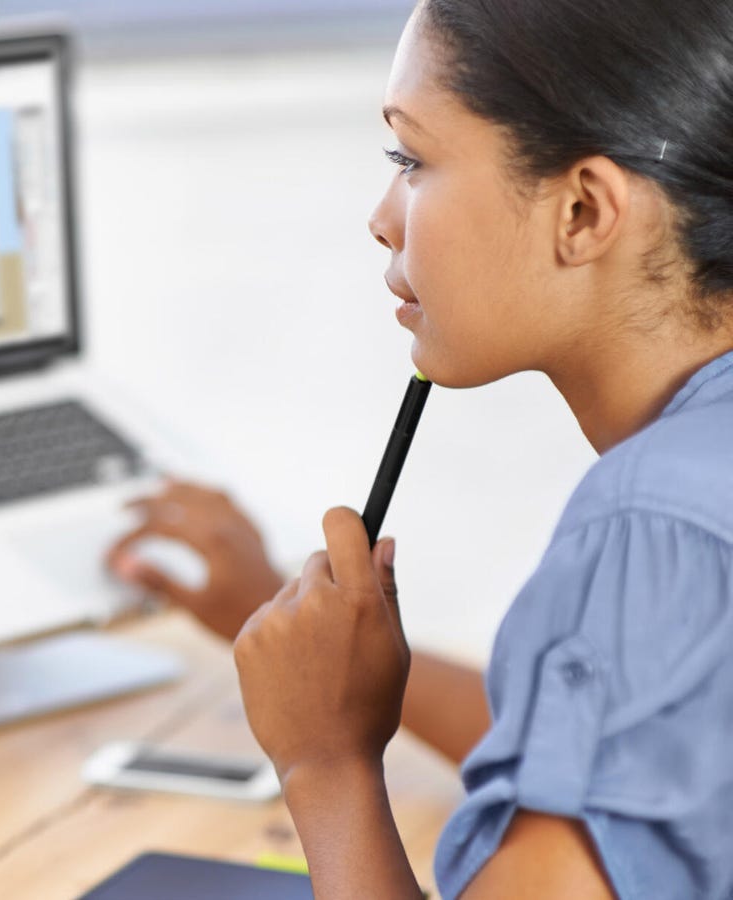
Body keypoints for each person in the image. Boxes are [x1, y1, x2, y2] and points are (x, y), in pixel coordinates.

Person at [106, 0, 733, 896]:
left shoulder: (651, 522)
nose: (381, 218)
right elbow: (643, 757)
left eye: (411, 159)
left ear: (585, 210)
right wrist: (282, 628)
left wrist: (326, 768)